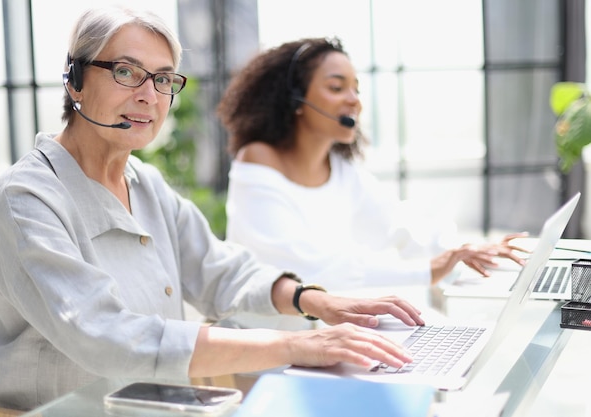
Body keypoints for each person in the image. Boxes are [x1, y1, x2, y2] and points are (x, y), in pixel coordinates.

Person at [0, 8, 428, 412]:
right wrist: (297, 344)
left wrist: (315, 301)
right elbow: (105, 336)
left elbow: (220, 270)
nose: (150, 95)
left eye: (164, 78)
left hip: (147, 408)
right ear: (75, 80)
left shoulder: (144, 183)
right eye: (127, 72)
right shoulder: (27, 197)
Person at [217, 37, 528, 330]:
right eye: (337, 88)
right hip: (265, 344)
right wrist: (428, 270)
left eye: (356, 89)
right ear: (297, 99)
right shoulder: (257, 159)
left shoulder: (341, 170)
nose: (354, 101)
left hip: (320, 338)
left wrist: (465, 252)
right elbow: (309, 268)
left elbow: (398, 223)